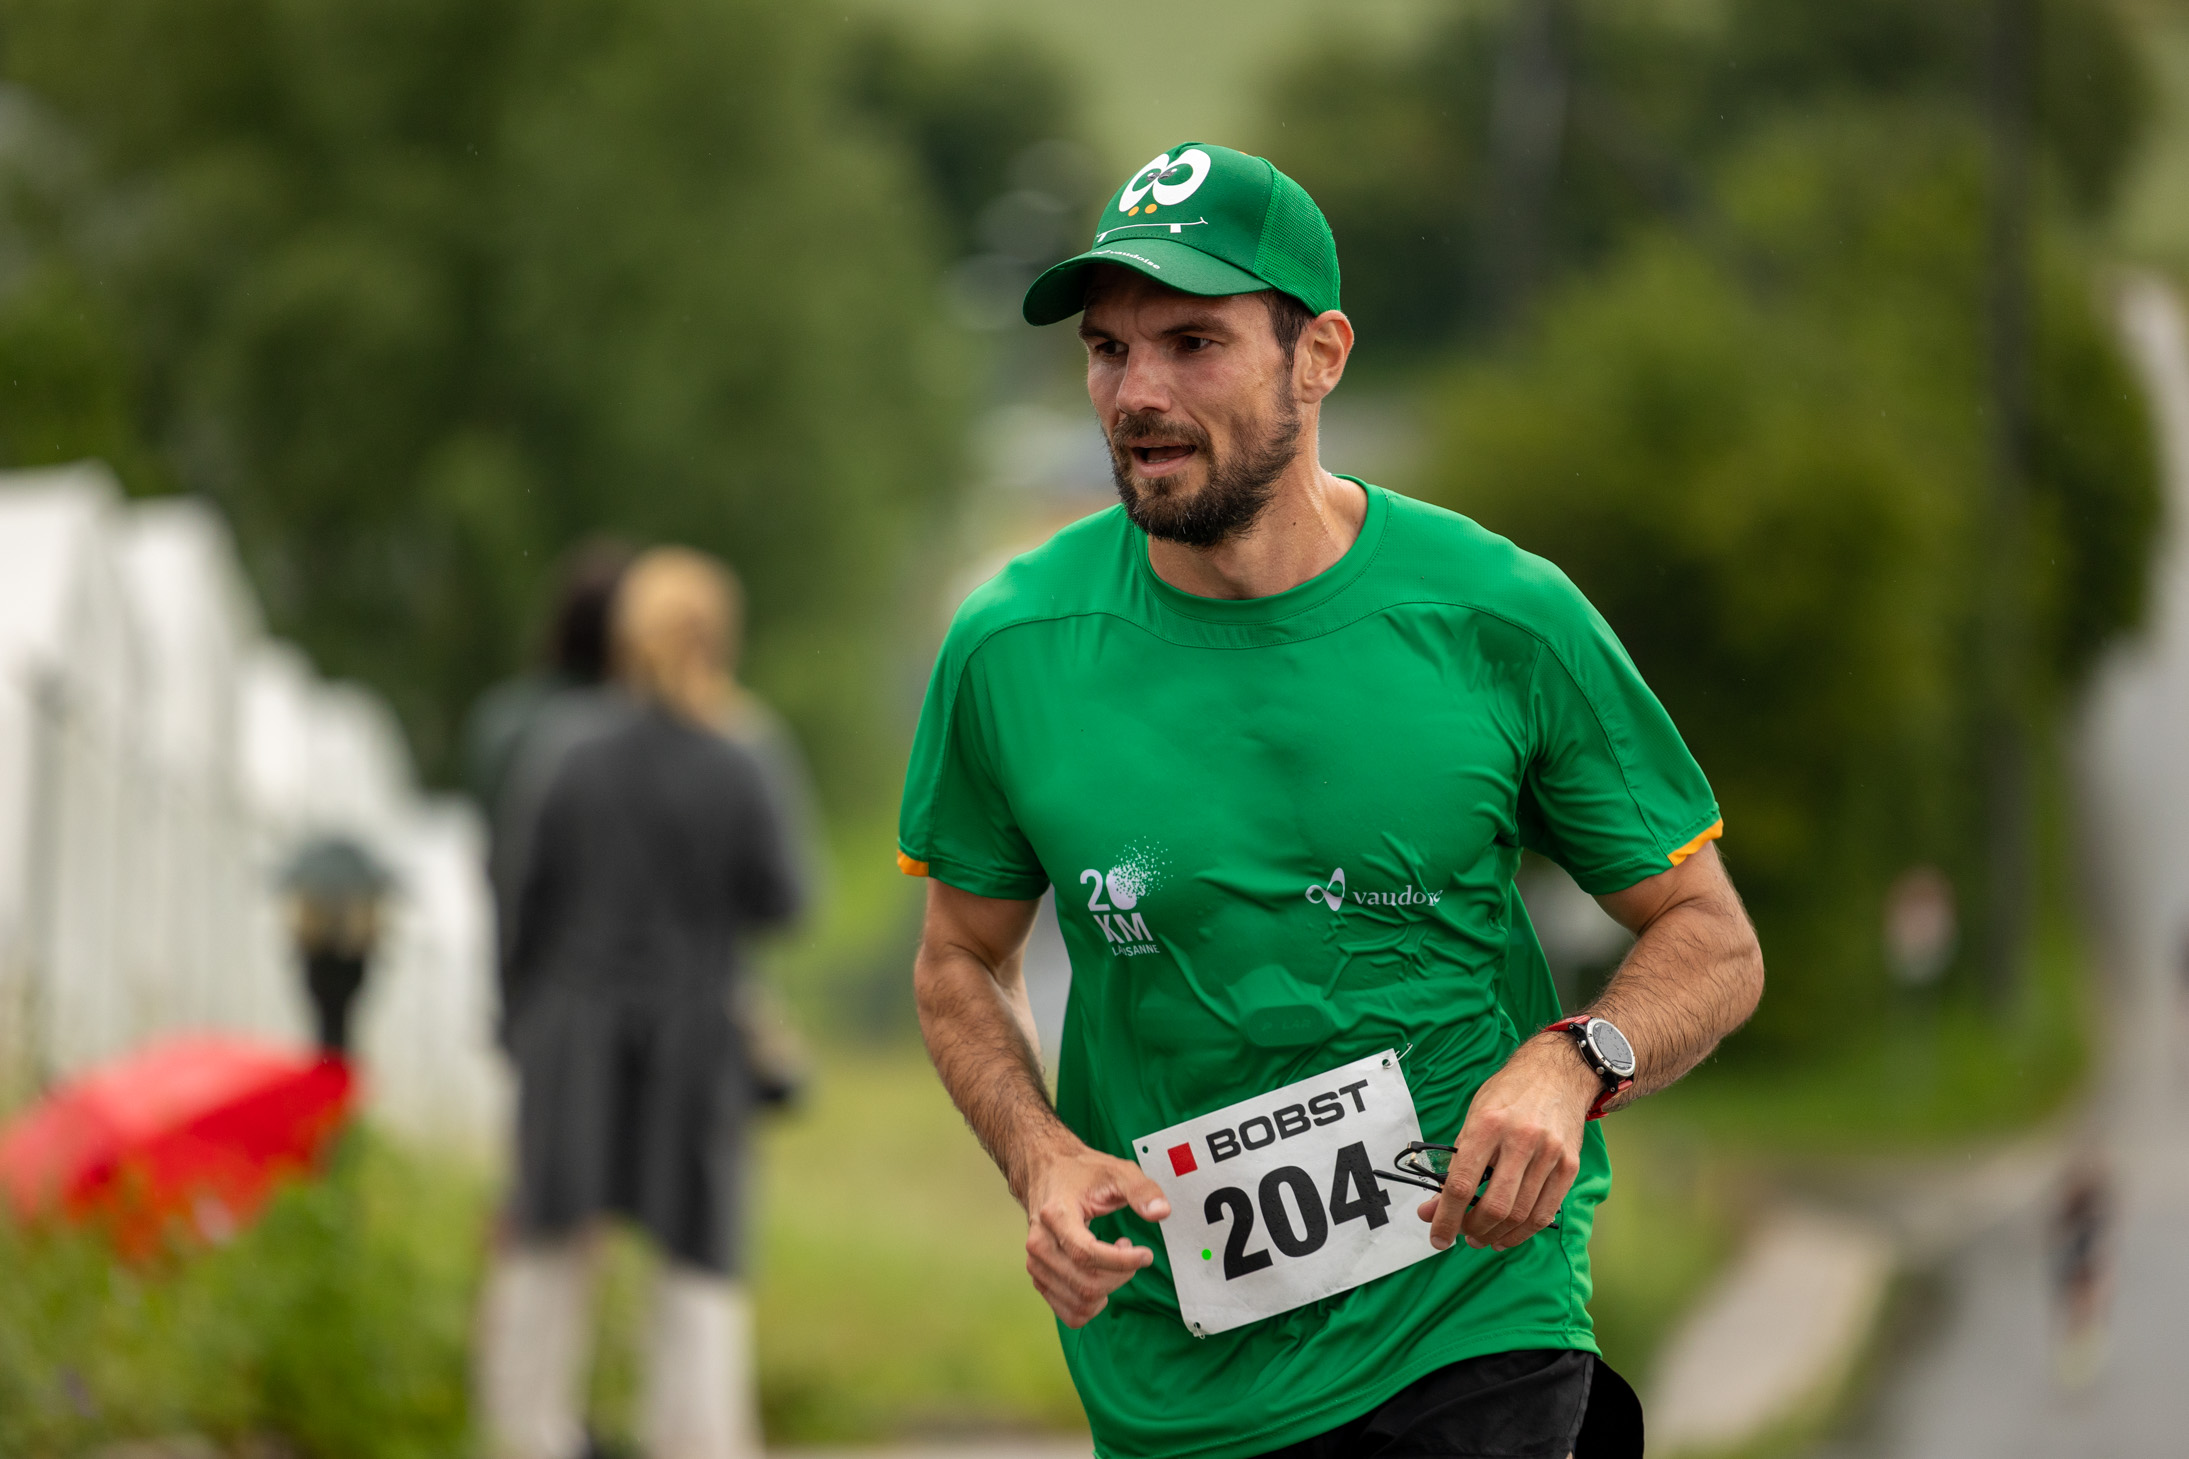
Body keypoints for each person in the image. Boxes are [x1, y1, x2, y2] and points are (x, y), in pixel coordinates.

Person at [899, 142, 1764, 1459]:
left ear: (1320, 355)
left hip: (1471, 1313)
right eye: (1107, 350)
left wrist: (1572, 1060)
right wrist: (1041, 1154)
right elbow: (960, 956)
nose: (1137, 393)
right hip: (1176, 1366)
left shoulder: (1498, 617)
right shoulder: (1010, 644)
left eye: (1192, 343)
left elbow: (1712, 936)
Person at [476, 547, 807, 1459]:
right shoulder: (743, 754)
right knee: (696, 1262)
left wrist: (512, 1020)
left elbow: (520, 896)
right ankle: (695, 1441)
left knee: (548, 1244)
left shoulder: (568, 749)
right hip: (694, 1025)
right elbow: (784, 898)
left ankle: (526, 1437)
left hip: (569, 1024)